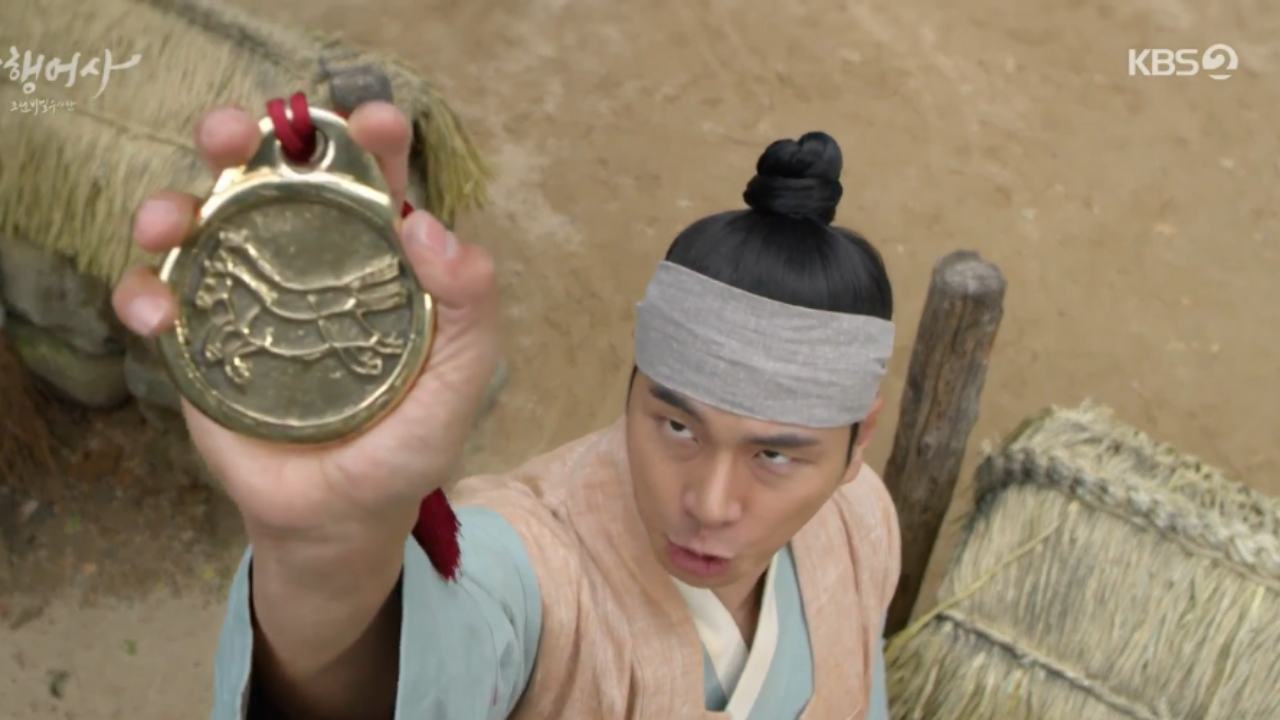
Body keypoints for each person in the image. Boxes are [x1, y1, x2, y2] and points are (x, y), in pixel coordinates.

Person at [112, 101, 901, 720]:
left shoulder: (860, 523)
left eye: (774, 455)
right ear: (634, 388)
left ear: (856, 443)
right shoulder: (533, 563)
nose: (710, 503)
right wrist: (327, 553)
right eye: (677, 426)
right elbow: (415, 671)